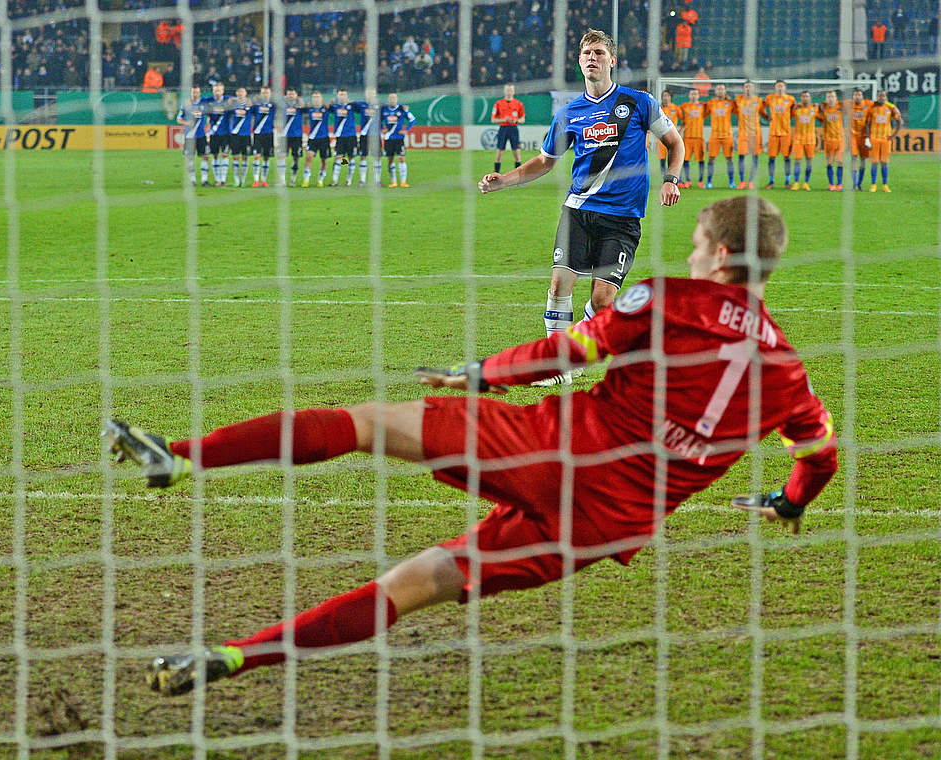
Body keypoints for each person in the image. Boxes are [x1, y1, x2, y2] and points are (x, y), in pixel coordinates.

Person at [104, 197, 837, 696]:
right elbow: (820, 455)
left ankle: (183, 456)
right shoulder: (790, 371)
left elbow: (576, 348)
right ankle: (233, 658)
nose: (690, 251)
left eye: (698, 242)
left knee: (366, 423)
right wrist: (788, 501)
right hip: (610, 523)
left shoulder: (670, 299)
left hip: (558, 449)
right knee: (419, 582)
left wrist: (485, 372)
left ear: (724, 252)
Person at [478, 29, 683, 386]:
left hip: (622, 219)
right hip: (579, 210)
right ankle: (558, 366)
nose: (592, 58)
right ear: (579, 61)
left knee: (603, 303)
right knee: (560, 283)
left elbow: (675, 143)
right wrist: (503, 180)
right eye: (587, 52)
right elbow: (544, 161)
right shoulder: (569, 113)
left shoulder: (640, 102)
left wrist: (671, 179)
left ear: (612, 61)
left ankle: (570, 351)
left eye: (599, 52)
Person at [760, 80, 795, 189]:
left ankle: (787, 181)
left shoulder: (790, 99)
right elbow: (761, 107)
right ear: (775, 88)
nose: (780, 88)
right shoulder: (770, 98)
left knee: (787, 157)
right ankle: (771, 181)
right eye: (778, 86)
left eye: (781, 86)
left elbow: (794, 111)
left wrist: (788, 119)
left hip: (786, 132)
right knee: (772, 158)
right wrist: (766, 116)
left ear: (785, 88)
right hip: (773, 132)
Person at [865, 94, 901, 192]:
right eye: (880, 96)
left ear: (886, 98)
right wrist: (867, 138)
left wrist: (893, 136)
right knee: (874, 163)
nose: (882, 98)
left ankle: (885, 185)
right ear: (877, 98)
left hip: (885, 140)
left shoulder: (890, 108)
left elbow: (900, 121)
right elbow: (867, 124)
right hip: (874, 139)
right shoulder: (871, 109)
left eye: (883, 96)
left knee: (884, 163)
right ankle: (873, 185)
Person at [176, 85, 210, 186]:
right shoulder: (186, 104)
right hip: (190, 136)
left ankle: (204, 180)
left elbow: (209, 115)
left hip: (201, 135)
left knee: (205, 156)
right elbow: (178, 119)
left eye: (196, 92)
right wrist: (187, 123)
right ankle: (192, 180)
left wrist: (208, 123)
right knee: (189, 158)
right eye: (193, 92)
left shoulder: (204, 103)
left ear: (199, 93)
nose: (195, 94)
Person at [328, 88, 362, 187]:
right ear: (337, 96)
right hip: (340, 137)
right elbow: (326, 108)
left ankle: (349, 180)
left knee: (351, 158)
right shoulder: (334, 107)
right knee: (338, 158)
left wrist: (352, 102)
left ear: (347, 96)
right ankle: (335, 181)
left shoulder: (352, 106)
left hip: (351, 136)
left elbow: (362, 107)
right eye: (340, 94)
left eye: (343, 94)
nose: (342, 96)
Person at [380, 93, 414, 187]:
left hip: (399, 138)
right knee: (390, 160)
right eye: (390, 98)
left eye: (394, 98)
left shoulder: (402, 109)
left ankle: (403, 182)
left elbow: (412, 120)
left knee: (401, 158)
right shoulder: (384, 109)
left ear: (397, 99)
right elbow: (377, 119)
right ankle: (393, 181)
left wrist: (406, 130)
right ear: (388, 99)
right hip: (388, 138)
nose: (392, 100)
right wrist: (382, 128)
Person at [705, 83, 735, 189]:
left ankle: (732, 182)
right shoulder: (710, 103)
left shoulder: (730, 103)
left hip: (727, 135)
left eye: (722, 89)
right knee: (711, 158)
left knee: (729, 159)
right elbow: (703, 115)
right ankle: (709, 182)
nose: (720, 91)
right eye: (718, 89)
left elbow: (738, 112)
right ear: (715, 91)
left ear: (725, 91)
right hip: (715, 135)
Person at [491, 84, 525, 175]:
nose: (509, 92)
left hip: (514, 129)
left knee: (517, 155)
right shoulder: (498, 103)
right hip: (503, 129)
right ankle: (495, 177)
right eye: (507, 90)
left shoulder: (519, 104)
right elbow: (493, 119)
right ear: (504, 91)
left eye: (511, 90)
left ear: (513, 92)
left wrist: (516, 120)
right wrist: (503, 119)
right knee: (499, 154)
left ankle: (518, 178)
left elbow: (522, 119)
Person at [734, 81, 763, 189]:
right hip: (743, 134)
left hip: (755, 134)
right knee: (741, 157)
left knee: (755, 158)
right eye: (746, 87)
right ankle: (742, 181)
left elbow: (764, 112)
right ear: (743, 88)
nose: (748, 89)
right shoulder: (738, 100)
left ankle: (751, 182)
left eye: (750, 87)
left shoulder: (758, 100)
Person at [302, 90, 331, 187]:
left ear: (321, 98)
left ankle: (320, 180)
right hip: (312, 138)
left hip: (324, 138)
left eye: (318, 97)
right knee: (308, 157)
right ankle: (306, 180)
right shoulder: (309, 109)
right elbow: (300, 108)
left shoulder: (326, 109)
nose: (316, 99)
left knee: (324, 160)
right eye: (314, 97)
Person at [790, 92, 818, 190]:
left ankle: (806, 182)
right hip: (798, 139)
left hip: (810, 139)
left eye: (807, 96)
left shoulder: (814, 109)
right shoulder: (796, 109)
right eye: (803, 96)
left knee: (809, 161)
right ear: (800, 98)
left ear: (810, 98)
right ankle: (796, 182)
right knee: (797, 161)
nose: (805, 98)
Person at [249, 86, 276, 188]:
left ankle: (264, 180)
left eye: (267, 93)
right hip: (257, 134)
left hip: (269, 134)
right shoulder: (256, 105)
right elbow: (248, 111)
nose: (265, 94)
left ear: (270, 94)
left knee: (266, 157)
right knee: (256, 156)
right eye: (263, 93)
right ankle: (256, 180)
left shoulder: (273, 106)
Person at [678, 88, 705, 188]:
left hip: (699, 137)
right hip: (687, 137)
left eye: (695, 94)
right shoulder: (684, 106)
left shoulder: (703, 106)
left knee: (701, 160)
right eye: (692, 94)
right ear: (689, 96)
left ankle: (701, 181)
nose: (694, 96)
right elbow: (680, 117)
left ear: (698, 96)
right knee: (685, 160)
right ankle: (688, 180)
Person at [226, 87, 253, 188]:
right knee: (235, 157)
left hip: (246, 134)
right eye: (239, 92)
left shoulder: (250, 105)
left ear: (246, 93)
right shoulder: (232, 105)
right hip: (235, 135)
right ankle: (237, 180)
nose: (240, 93)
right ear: (236, 93)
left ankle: (244, 179)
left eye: (242, 92)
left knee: (245, 157)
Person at [204, 82, 230, 186]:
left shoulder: (228, 100)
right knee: (214, 155)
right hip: (214, 133)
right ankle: (217, 179)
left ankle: (223, 180)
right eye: (215, 90)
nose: (217, 92)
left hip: (225, 132)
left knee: (224, 155)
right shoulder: (209, 101)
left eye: (219, 90)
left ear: (223, 91)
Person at [819, 91, 845, 191]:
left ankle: (839, 184)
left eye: (833, 96)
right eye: (829, 97)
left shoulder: (840, 107)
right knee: (829, 163)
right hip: (828, 140)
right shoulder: (823, 108)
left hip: (840, 139)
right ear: (826, 98)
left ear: (836, 98)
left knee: (840, 162)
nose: (831, 98)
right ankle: (831, 184)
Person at [280, 89, 307, 187]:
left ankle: (292, 179)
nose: (291, 96)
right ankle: (282, 180)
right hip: (285, 136)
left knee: (296, 158)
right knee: (282, 157)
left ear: (296, 95)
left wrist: (301, 102)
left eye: (293, 94)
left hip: (297, 136)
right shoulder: (282, 105)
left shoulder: (299, 106)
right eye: (289, 94)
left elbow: (307, 108)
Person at [849, 89, 875, 190]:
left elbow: (881, 103)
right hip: (853, 137)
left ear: (862, 96)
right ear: (853, 97)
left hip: (865, 137)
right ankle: (854, 184)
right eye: (855, 95)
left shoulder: (868, 104)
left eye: (859, 95)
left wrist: (892, 106)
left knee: (863, 160)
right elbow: (835, 103)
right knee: (854, 158)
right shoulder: (849, 104)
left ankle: (859, 183)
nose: (857, 97)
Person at [354, 88, 380, 187]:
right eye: (368, 93)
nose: (370, 95)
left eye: (372, 93)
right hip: (364, 134)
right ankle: (362, 180)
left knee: (377, 157)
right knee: (363, 156)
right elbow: (348, 105)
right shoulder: (361, 104)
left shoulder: (380, 105)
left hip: (375, 135)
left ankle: (377, 181)